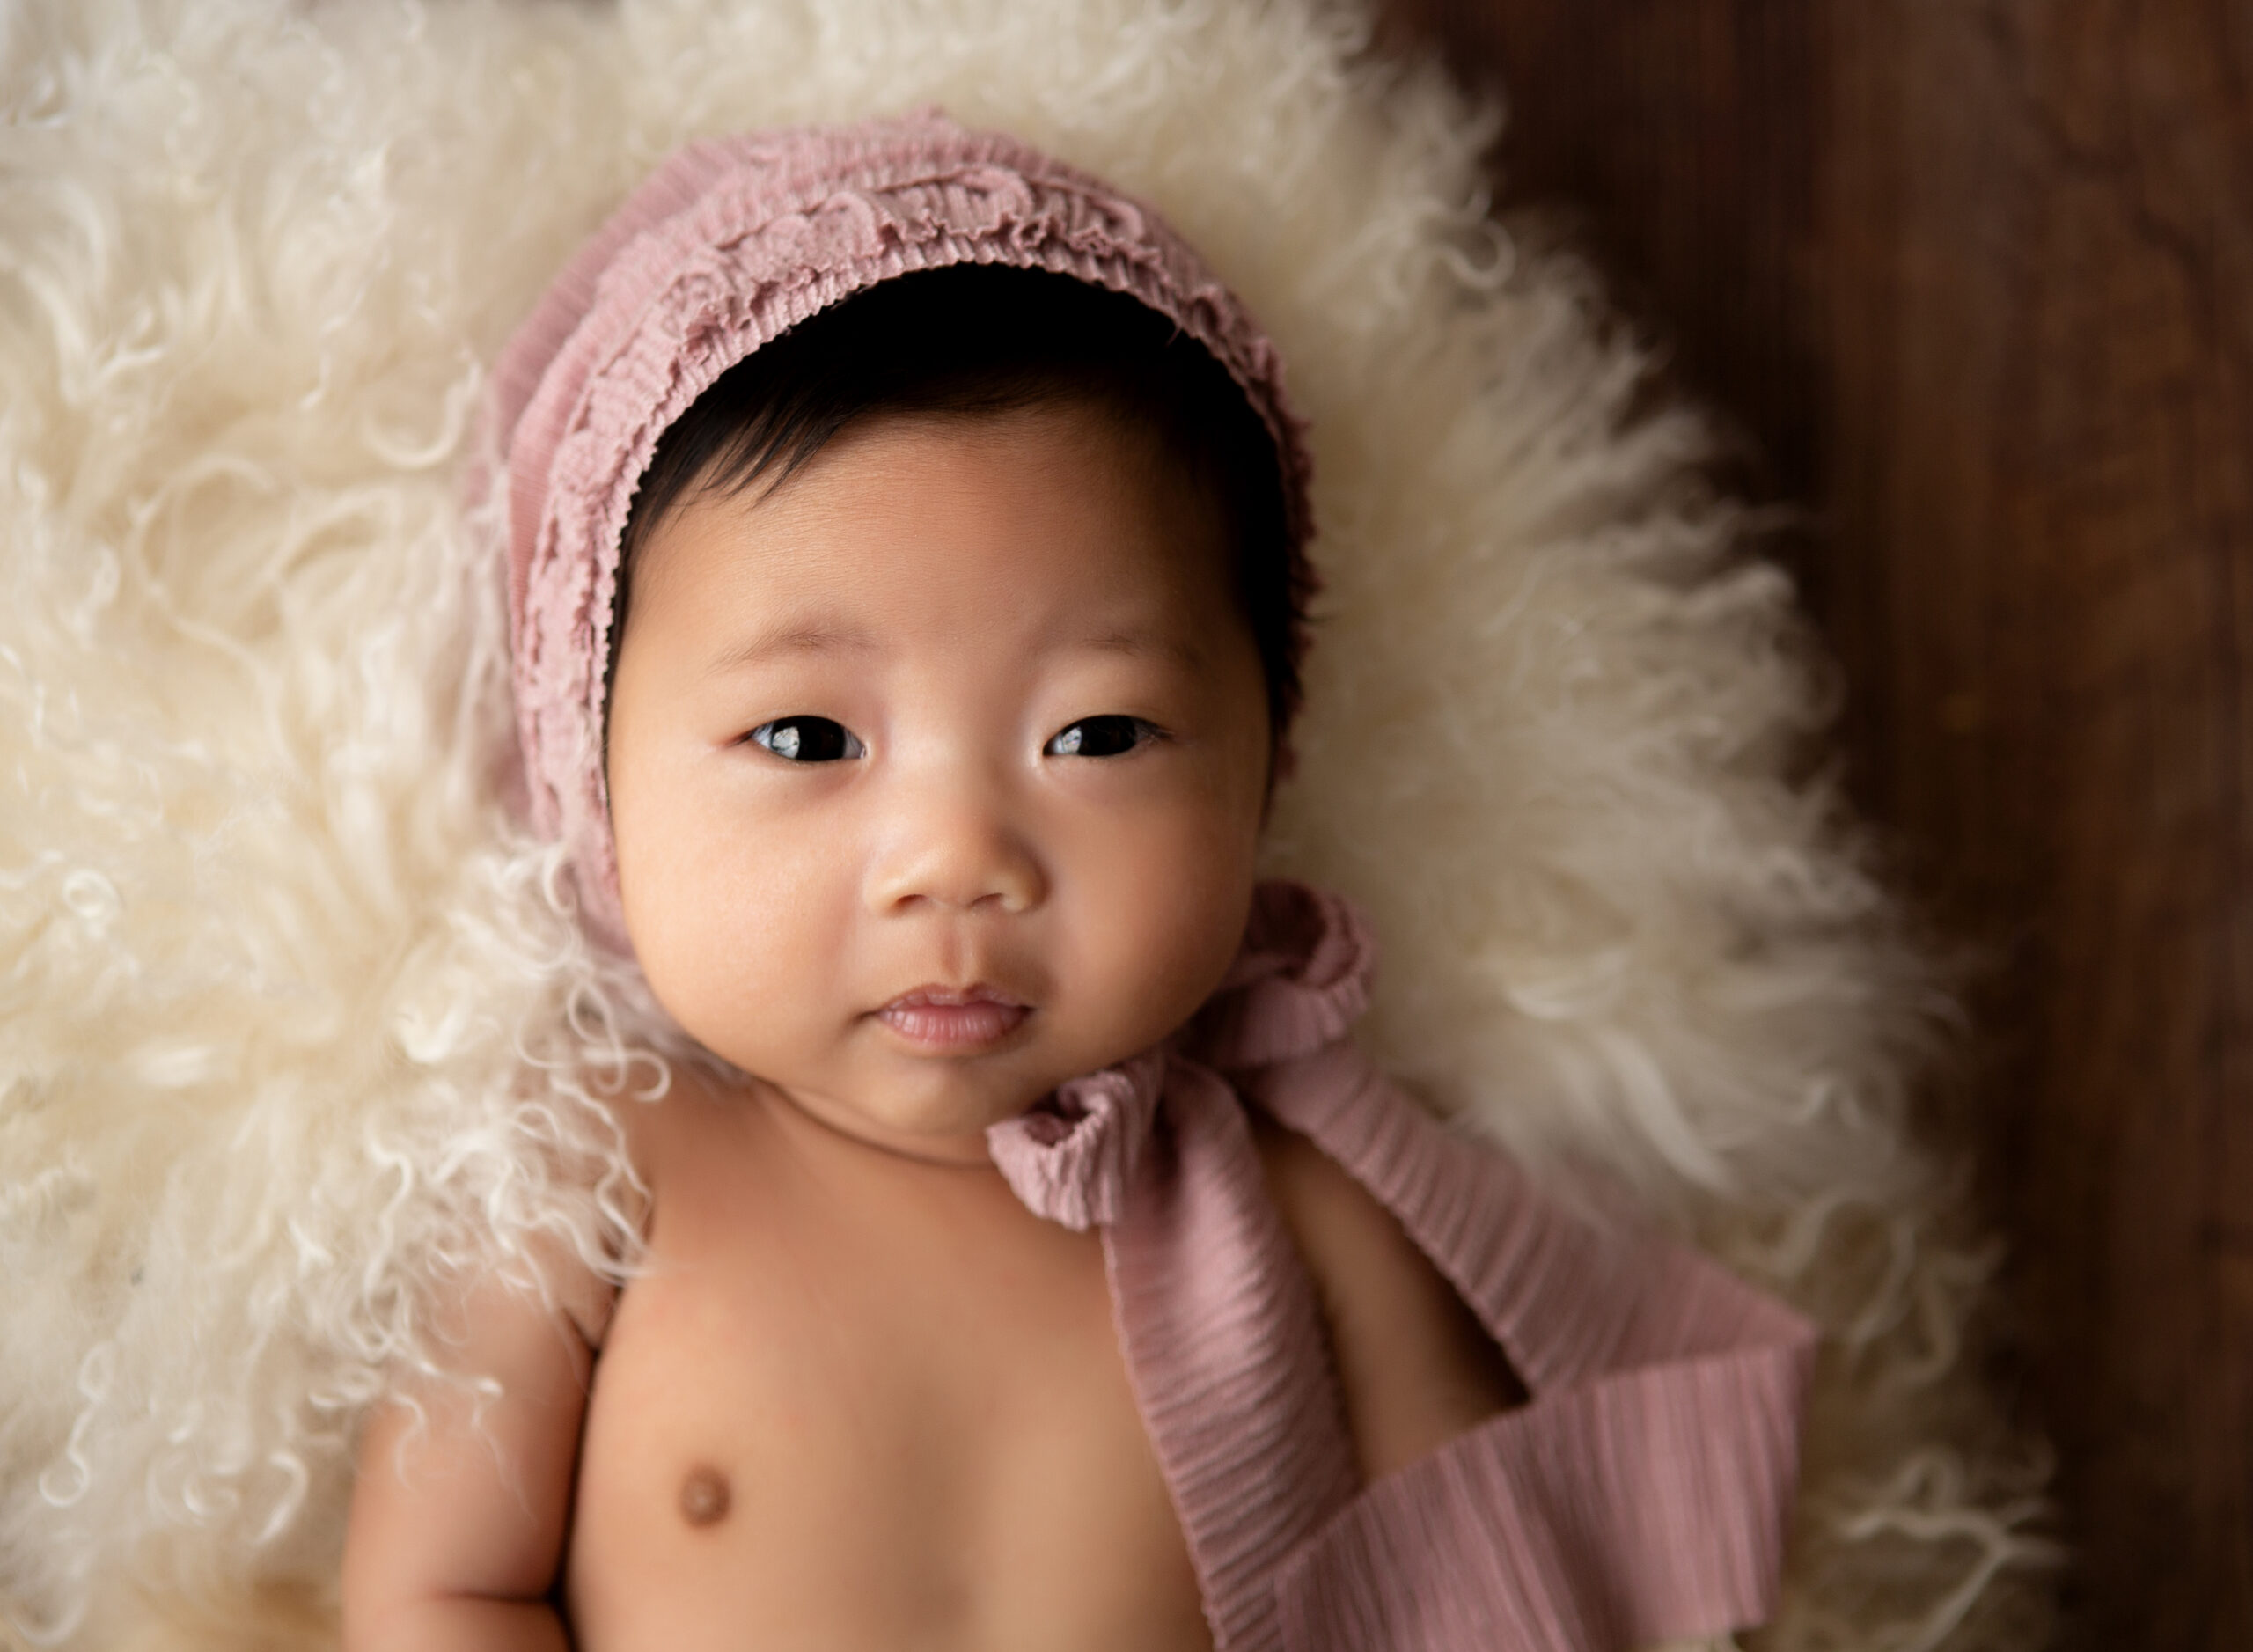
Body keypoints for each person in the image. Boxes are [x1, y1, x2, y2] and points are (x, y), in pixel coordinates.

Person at [340, 112, 1815, 1652]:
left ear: (1263, 761)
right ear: (596, 777)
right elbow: (439, 1589)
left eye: (1096, 732)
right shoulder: (594, 1178)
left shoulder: (1299, 1211)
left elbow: (1478, 1590)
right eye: (806, 734)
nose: (957, 858)